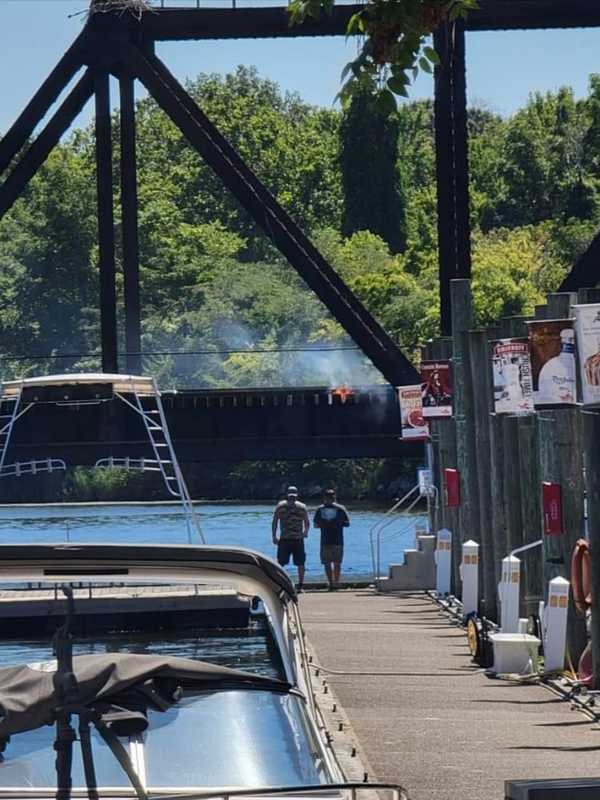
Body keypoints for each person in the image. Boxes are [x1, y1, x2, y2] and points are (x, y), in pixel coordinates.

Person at [272, 486, 310, 592]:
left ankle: (301, 585)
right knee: (280, 563)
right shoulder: (281, 506)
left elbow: (306, 521)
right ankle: (279, 585)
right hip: (285, 539)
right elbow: (275, 521)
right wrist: (274, 536)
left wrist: (305, 532)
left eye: (294, 495)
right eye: (290, 495)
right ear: (287, 495)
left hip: (298, 539)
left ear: (297, 495)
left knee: (301, 562)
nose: (292, 497)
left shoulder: (302, 507)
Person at [313, 489, 350, 591]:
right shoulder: (341, 509)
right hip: (338, 539)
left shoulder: (320, 509)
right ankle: (336, 583)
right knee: (337, 562)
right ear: (335, 498)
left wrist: (324, 524)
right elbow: (347, 523)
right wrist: (338, 524)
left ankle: (331, 583)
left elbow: (315, 525)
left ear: (324, 498)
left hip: (325, 539)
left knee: (327, 563)